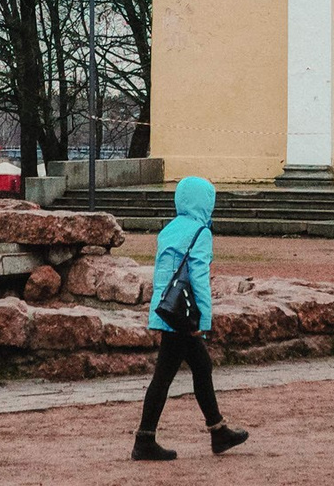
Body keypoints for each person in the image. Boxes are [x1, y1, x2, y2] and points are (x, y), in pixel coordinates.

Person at [134, 175, 248, 462]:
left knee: (199, 366)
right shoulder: (201, 232)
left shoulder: (169, 230)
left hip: (167, 311)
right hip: (184, 316)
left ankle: (217, 430)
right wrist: (203, 320)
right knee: (167, 376)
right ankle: (145, 439)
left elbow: (163, 275)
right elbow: (198, 278)